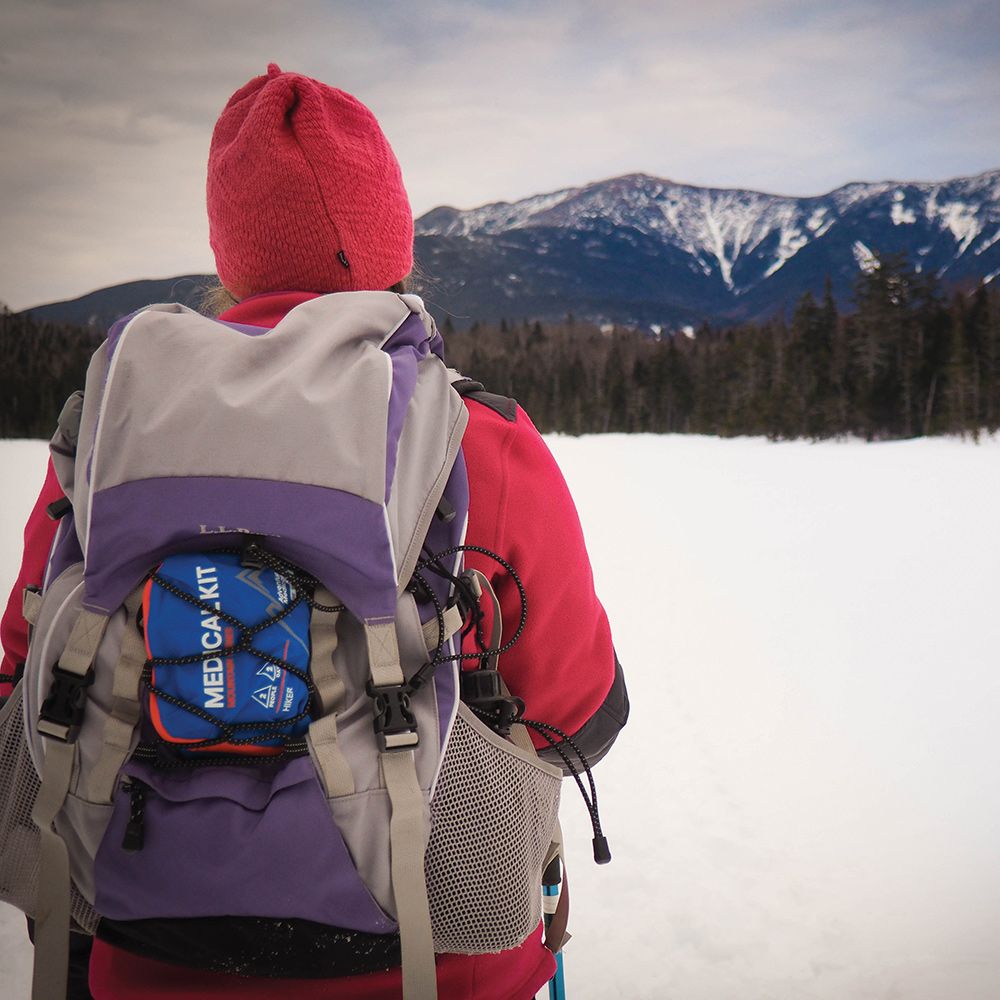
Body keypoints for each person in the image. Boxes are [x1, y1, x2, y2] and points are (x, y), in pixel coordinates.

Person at [0, 64, 628, 1000]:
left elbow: (25, 672)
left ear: (230, 254)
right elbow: (578, 712)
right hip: (440, 956)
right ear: (390, 239)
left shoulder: (112, 432)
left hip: (151, 953)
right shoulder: (477, 441)